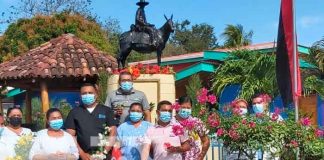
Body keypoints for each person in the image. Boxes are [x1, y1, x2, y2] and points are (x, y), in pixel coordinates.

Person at [65, 83, 118, 160]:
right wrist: (81, 153)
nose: (87, 95)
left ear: (96, 94)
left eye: (90, 93)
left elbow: (113, 132)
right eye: (84, 93)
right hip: (83, 156)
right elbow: (70, 136)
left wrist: (103, 153)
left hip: (104, 155)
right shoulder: (74, 112)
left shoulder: (107, 110)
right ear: (80, 95)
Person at [172, 96, 210, 160]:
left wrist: (201, 156)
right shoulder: (172, 122)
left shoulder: (196, 122)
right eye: (183, 107)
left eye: (188, 108)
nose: (186, 110)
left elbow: (206, 141)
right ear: (178, 107)